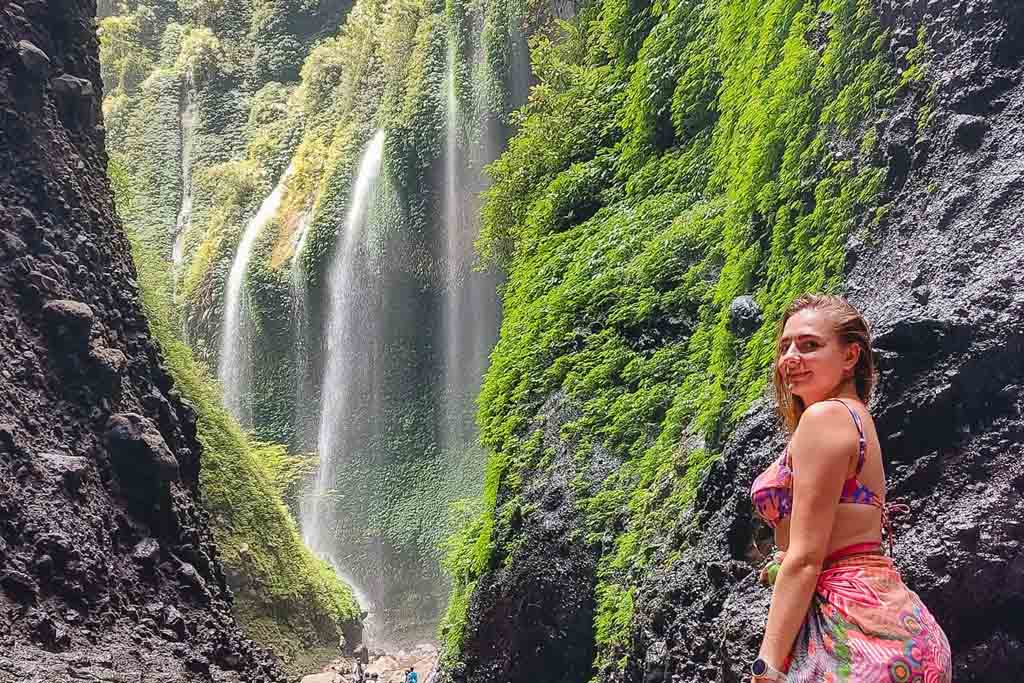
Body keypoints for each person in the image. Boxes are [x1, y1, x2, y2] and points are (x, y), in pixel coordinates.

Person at [748, 294, 952, 682]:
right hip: (896, 629)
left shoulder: (824, 418)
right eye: (785, 346)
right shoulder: (856, 418)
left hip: (854, 635)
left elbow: (807, 558)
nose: (791, 357)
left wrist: (766, 670)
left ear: (850, 356)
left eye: (810, 345)